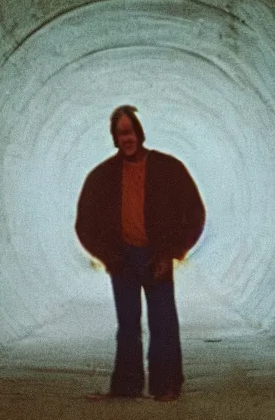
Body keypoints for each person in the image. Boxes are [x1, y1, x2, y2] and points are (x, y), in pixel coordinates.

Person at [75, 105, 205, 402]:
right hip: (123, 260)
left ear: (139, 132)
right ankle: (126, 386)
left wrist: (172, 252)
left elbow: (195, 212)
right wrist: (108, 257)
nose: (127, 138)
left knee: (163, 323)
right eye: (121, 134)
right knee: (128, 325)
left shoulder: (168, 169)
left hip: (156, 258)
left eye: (130, 132)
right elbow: (85, 223)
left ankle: (166, 385)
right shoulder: (102, 176)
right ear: (115, 138)